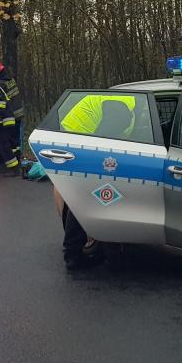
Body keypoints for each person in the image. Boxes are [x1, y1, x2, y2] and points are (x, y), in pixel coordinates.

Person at [56, 94, 139, 269]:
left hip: (80, 137)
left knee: (90, 197)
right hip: (81, 142)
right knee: (92, 196)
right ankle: (79, 255)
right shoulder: (120, 108)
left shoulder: (123, 102)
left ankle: (78, 253)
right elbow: (106, 137)